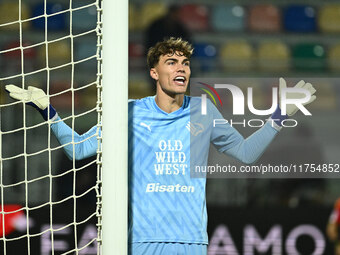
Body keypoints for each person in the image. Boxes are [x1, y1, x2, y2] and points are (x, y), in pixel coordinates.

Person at [5, 37, 316, 255]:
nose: (181, 68)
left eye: (185, 63)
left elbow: (246, 154)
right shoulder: (128, 112)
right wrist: (49, 111)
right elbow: (78, 150)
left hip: (192, 243)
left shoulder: (204, 110)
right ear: (154, 72)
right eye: (171, 62)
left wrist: (279, 115)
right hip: (142, 242)